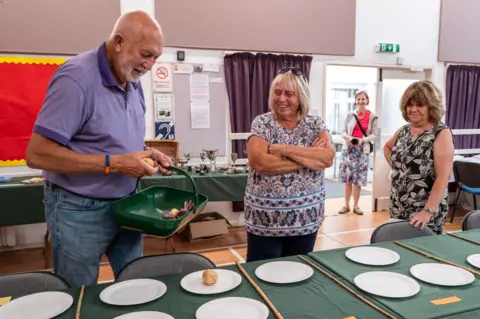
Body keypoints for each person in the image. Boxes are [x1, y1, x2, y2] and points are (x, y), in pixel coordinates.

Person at [26, 11, 173, 288]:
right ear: (118, 41)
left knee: (135, 285)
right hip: (78, 208)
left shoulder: (131, 77)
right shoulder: (76, 79)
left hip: (128, 205)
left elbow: (111, 137)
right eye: (146, 54)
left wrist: (144, 153)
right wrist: (116, 164)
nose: (151, 64)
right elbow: (37, 154)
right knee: (79, 295)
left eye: (156, 57)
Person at [245, 67, 335, 262]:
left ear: (301, 96)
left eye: (289, 94)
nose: (282, 99)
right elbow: (259, 162)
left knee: (298, 274)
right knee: (262, 274)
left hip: (306, 219)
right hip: (265, 221)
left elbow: (327, 159)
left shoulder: (315, 124)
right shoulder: (262, 123)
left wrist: (284, 149)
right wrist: (310, 159)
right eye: (277, 92)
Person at [384, 81, 454, 234]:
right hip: (398, 205)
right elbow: (387, 147)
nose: (413, 109)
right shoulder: (403, 131)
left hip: (424, 211)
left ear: (431, 106)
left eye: (420, 105)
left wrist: (428, 211)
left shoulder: (441, 133)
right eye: (410, 104)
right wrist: (400, 169)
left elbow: (443, 177)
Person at [339, 91, 378, 215]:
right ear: (355, 101)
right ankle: (346, 205)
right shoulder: (349, 115)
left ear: (367, 101)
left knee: (358, 180)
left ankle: (356, 206)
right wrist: (348, 138)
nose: (361, 101)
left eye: (363, 99)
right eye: (358, 99)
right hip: (348, 150)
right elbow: (343, 131)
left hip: (362, 151)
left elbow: (374, 134)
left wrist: (363, 140)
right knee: (348, 179)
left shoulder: (373, 116)